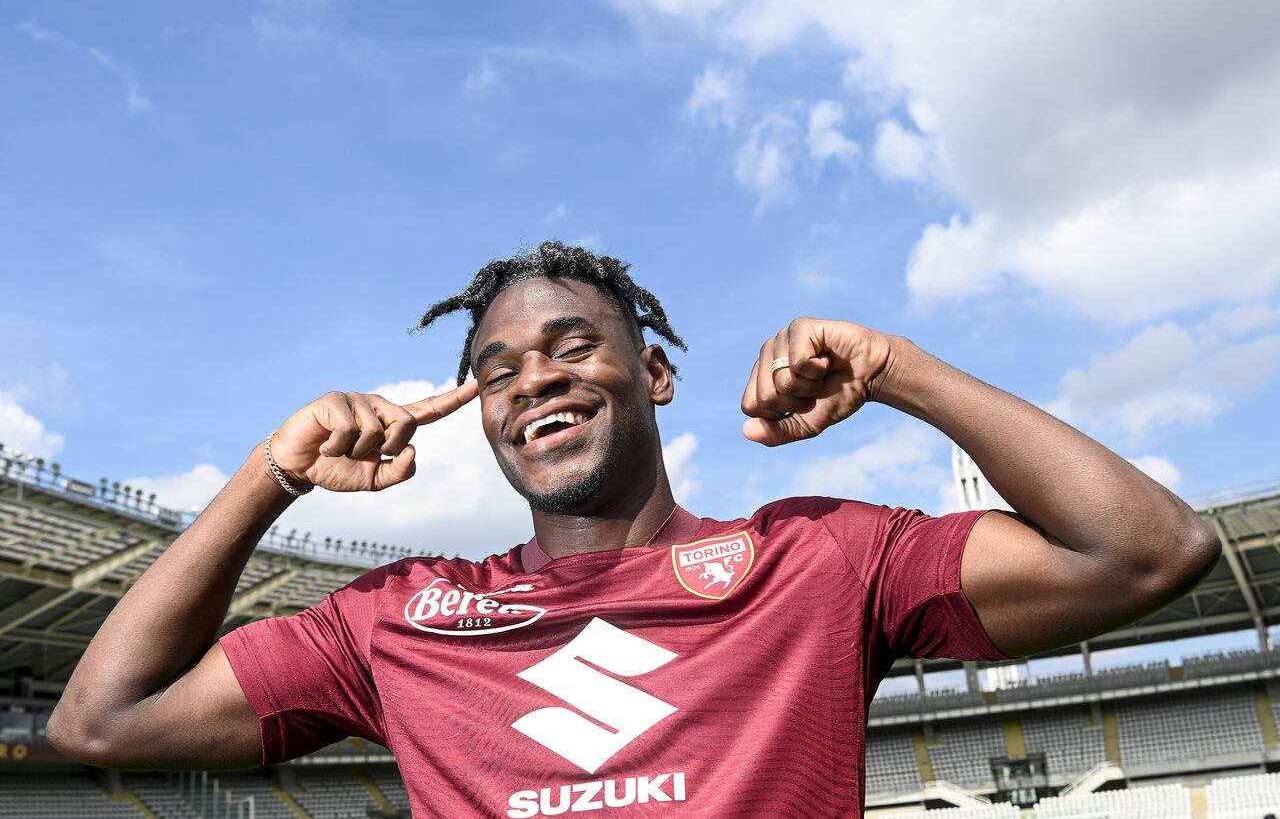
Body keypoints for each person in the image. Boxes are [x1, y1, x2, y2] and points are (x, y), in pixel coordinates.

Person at [47, 243, 1220, 817]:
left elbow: (1146, 550)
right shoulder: (395, 616)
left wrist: (898, 370)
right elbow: (103, 719)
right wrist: (270, 475)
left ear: (653, 374)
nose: (533, 382)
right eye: (495, 369)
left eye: (570, 345)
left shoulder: (815, 560)